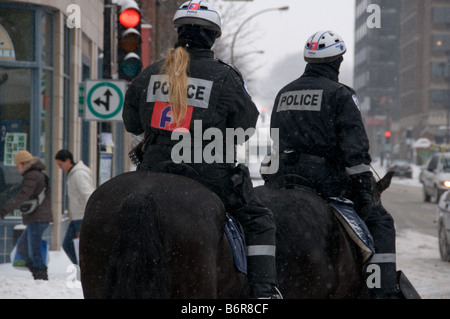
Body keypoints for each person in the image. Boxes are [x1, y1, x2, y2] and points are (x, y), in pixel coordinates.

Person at [122, 1, 281, 299]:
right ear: (214, 38)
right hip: (209, 174)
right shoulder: (226, 77)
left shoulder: (149, 73)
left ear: (178, 32)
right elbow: (244, 128)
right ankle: (263, 292)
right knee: (259, 220)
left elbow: (132, 123)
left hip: (152, 169)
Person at [266, 30, 399, 299]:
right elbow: (355, 151)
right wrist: (363, 193)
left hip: (281, 178)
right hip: (323, 181)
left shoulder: (284, 93)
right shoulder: (340, 94)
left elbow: (276, 138)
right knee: (381, 222)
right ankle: (384, 292)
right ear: (337, 62)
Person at [0, 150, 53, 280]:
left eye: (18, 164)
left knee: (34, 251)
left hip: (38, 218)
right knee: (23, 249)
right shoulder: (36, 174)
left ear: (24, 163)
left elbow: (23, 196)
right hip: (37, 218)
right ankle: (37, 273)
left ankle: (41, 278)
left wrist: (4, 211)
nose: (17, 168)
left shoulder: (33, 175)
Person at [55, 149, 95, 265]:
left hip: (82, 217)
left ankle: (85, 270)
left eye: (60, 164)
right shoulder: (73, 174)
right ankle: (82, 269)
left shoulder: (78, 174)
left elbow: (88, 194)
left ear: (68, 161)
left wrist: (90, 215)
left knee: (80, 248)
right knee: (69, 245)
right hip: (77, 217)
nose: (60, 168)